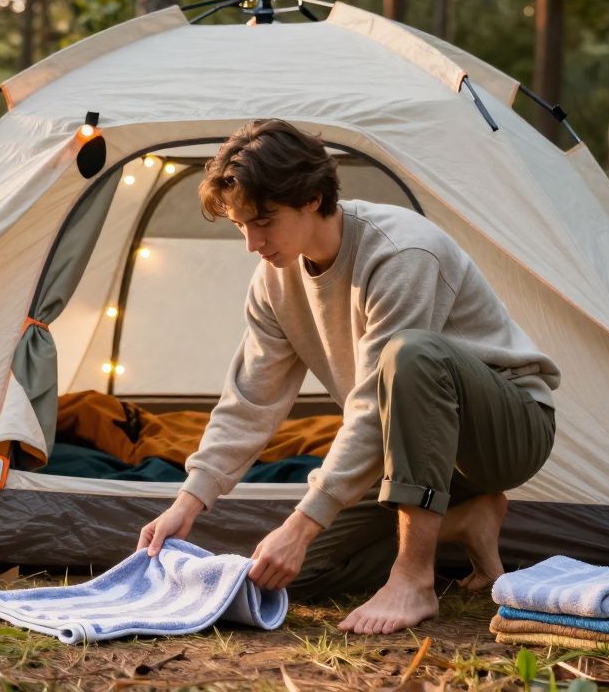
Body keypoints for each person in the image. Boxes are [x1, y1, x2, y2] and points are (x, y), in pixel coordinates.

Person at [135, 119, 560, 635]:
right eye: (240, 225)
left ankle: (413, 578)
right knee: (291, 574)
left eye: (264, 221)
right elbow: (251, 399)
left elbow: (372, 403)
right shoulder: (273, 281)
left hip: (504, 432)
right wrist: (189, 500)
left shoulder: (400, 253)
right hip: (410, 449)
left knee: (411, 355)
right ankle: (465, 521)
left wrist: (304, 521)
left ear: (313, 197)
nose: (252, 242)